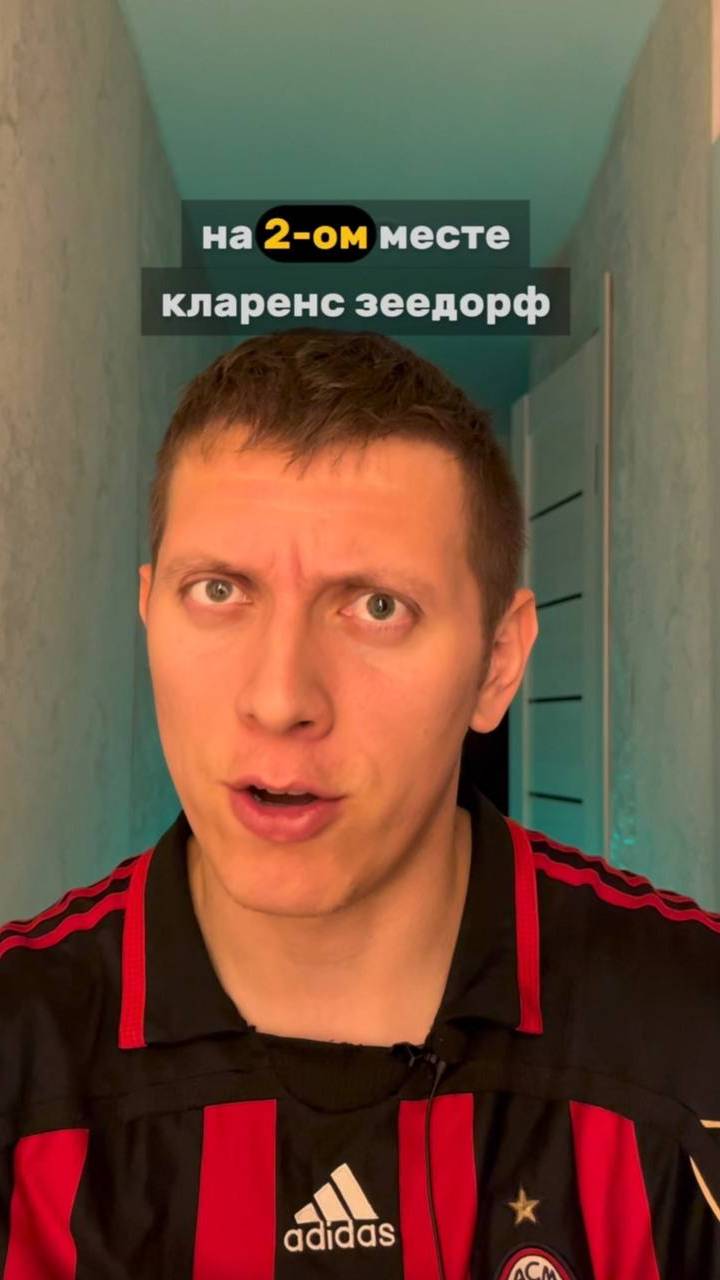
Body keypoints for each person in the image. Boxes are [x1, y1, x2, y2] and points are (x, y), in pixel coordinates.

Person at [1, 328, 719, 1280]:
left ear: (498, 662)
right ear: (148, 613)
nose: (280, 698)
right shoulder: (19, 1048)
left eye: (378, 606)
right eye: (218, 590)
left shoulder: (696, 1030)